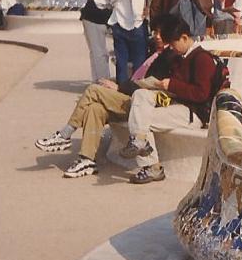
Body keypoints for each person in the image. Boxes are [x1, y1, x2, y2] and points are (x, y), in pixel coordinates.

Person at [34, 20, 173, 178]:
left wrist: (119, 88)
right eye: (155, 32)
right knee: (95, 108)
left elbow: (150, 86)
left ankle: (65, 134)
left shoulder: (168, 57)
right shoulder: (154, 53)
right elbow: (136, 79)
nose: (157, 36)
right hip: (130, 97)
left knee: (93, 90)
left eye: (161, 33)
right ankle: (87, 160)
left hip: (141, 104)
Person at [122, 14, 226, 184]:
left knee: (141, 119)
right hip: (177, 104)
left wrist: (172, 85)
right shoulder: (180, 58)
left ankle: (151, 166)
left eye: (173, 43)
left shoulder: (202, 59)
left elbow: (201, 94)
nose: (171, 48)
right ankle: (140, 142)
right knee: (140, 95)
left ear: (184, 38)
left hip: (193, 113)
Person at [93, 0, 148, 87]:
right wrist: (139, 19)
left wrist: (109, 5)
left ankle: (121, 86)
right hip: (134, 25)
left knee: (121, 59)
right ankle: (137, 86)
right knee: (139, 60)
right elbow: (137, 3)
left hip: (117, 23)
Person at [79, 0, 113, 82]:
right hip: (94, 18)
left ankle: (99, 80)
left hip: (93, 16)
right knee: (99, 52)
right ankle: (103, 81)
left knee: (97, 51)